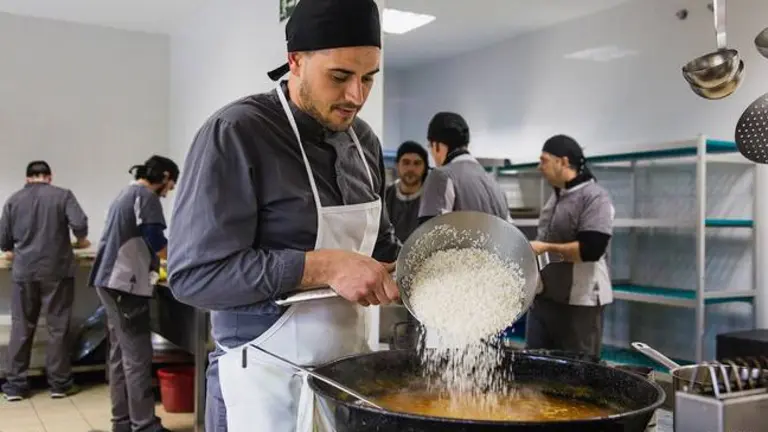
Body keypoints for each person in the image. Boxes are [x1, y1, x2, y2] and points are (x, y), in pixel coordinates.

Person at [166, 0, 400, 430]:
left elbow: (382, 249)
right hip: (260, 382)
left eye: (368, 78)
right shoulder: (238, 133)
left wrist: (437, 268)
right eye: (339, 77)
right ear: (295, 61)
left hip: (346, 380)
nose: (356, 96)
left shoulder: (364, 142)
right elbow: (193, 277)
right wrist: (324, 266)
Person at [88, 156, 178, 432]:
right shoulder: (146, 197)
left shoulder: (125, 194)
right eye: (171, 184)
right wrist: (181, 261)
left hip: (109, 282)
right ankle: (144, 425)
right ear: (164, 176)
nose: (170, 190)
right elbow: (156, 241)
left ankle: (123, 422)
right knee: (137, 356)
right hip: (124, 286)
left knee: (120, 354)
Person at [0, 161, 90, 401]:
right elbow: (79, 224)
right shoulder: (63, 195)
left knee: (21, 327)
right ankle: (60, 384)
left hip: (24, 272)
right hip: (57, 271)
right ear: (49, 177)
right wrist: (81, 240)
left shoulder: (13, 200)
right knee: (57, 328)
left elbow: (4, 240)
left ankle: (15, 386)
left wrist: (11, 248)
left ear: (27, 178)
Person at [526, 135, 615, 357]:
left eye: (544, 160)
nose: (539, 167)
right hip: (545, 300)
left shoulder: (594, 197)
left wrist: (544, 248)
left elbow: (591, 249)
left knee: (577, 370)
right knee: (534, 367)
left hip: (579, 305)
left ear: (563, 162)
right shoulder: (556, 197)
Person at [418, 112, 509, 223]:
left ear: (436, 145)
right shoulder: (495, 185)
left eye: (430, 147)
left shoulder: (441, 177)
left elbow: (430, 230)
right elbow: (510, 231)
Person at [384, 141, 429, 243]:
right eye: (406, 162)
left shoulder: (432, 198)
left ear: (425, 167)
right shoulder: (386, 195)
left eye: (417, 163)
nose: (411, 168)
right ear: (397, 165)